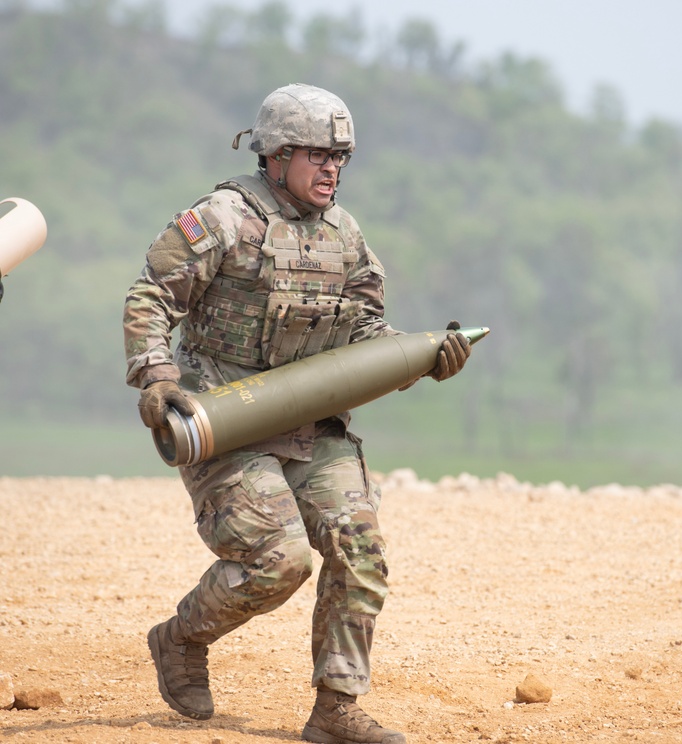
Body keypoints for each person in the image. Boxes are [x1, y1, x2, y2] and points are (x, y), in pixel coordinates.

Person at [123, 83, 471, 744]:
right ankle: (180, 638)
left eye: (340, 156)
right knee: (279, 561)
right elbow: (150, 293)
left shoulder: (346, 236)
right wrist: (156, 373)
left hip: (314, 427)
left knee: (359, 547)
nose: (333, 168)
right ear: (276, 157)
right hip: (226, 422)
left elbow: (367, 334)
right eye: (317, 154)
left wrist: (425, 356)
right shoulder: (224, 218)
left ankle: (336, 709)